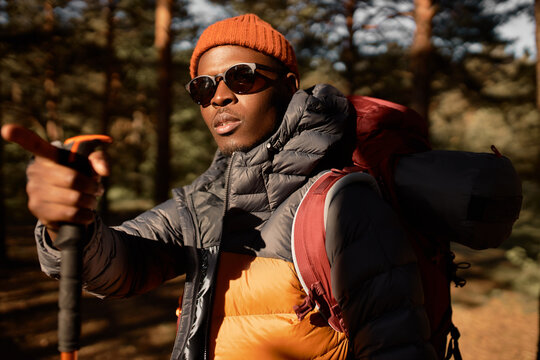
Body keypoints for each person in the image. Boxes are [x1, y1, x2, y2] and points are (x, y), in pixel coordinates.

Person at [22, 14, 437, 359]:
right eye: (203, 87)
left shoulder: (341, 204)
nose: (219, 97)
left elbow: (397, 347)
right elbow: (118, 267)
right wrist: (68, 223)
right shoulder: (203, 202)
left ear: (289, 86)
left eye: (241, 78)